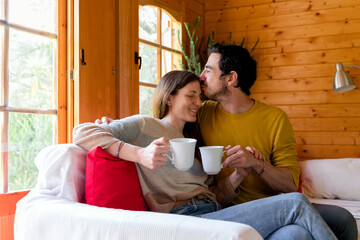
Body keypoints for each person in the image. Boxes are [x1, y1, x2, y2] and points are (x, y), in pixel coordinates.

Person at [73, 70, 337, 240]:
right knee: (295, 202)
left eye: (200, 96)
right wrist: (139, 154)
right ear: (169, 98)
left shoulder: (196, 142)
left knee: (295, 234)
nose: (199, 103)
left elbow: (215, 196)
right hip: (185, 220)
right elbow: (82, 132)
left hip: (212, 212)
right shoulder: (145, 126)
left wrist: (239, 175)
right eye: (191, 96)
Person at [198, 42, 358, 240]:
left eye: (208, 70)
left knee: (343, 219)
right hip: (230, 212)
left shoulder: (275, 119)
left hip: (274, 209)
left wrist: (257, 163)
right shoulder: (202, 114)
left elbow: (290, 185)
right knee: (297, 234)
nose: (201, 77)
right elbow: (167, 113)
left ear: (231, 78)